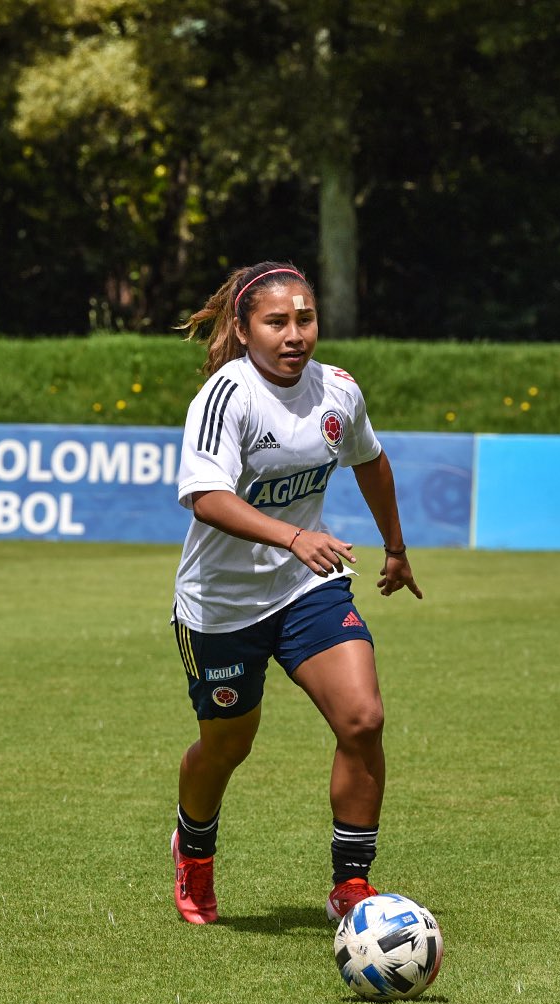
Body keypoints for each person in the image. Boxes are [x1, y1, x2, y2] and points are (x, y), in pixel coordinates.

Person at [169, 261, 423, 925]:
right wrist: (291, 535)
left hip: (307, 589)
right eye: (276, 321)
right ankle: (193, 850)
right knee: (227, 746)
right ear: (244, 328)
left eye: (304, 319)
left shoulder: (337, 390)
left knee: (363, 719)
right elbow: (204, 496)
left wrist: (394, 548)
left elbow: (369, 459)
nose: (294, 334)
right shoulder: (228, 396)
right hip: (220, 604)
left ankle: (352, 885)